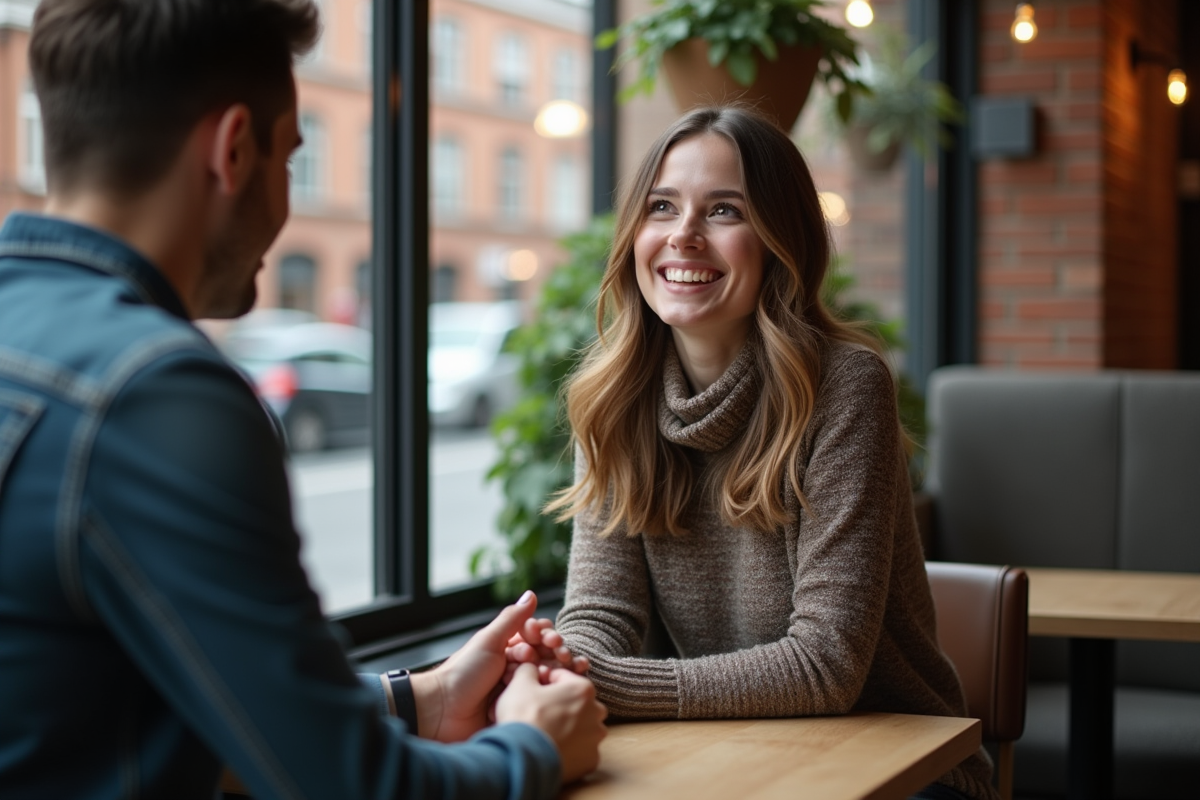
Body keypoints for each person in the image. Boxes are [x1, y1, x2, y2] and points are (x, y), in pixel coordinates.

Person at [0, 2, 605, 799]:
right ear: (234, 148)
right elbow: (348, 789)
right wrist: (532, 746)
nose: (287, 198)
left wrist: (420, 697)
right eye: (290, 158)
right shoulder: (157, 395)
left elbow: (112, 703)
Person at [505, 106, 999, 800]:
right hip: (729, 753)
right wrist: (559, 660)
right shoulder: (616, 398)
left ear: (779, 239)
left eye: (725, 211)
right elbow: (601, 615)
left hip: (902, 766)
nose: (684, 235)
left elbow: (827, 667)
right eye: (662, 206)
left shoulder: (844, 386)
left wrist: (596, 678)